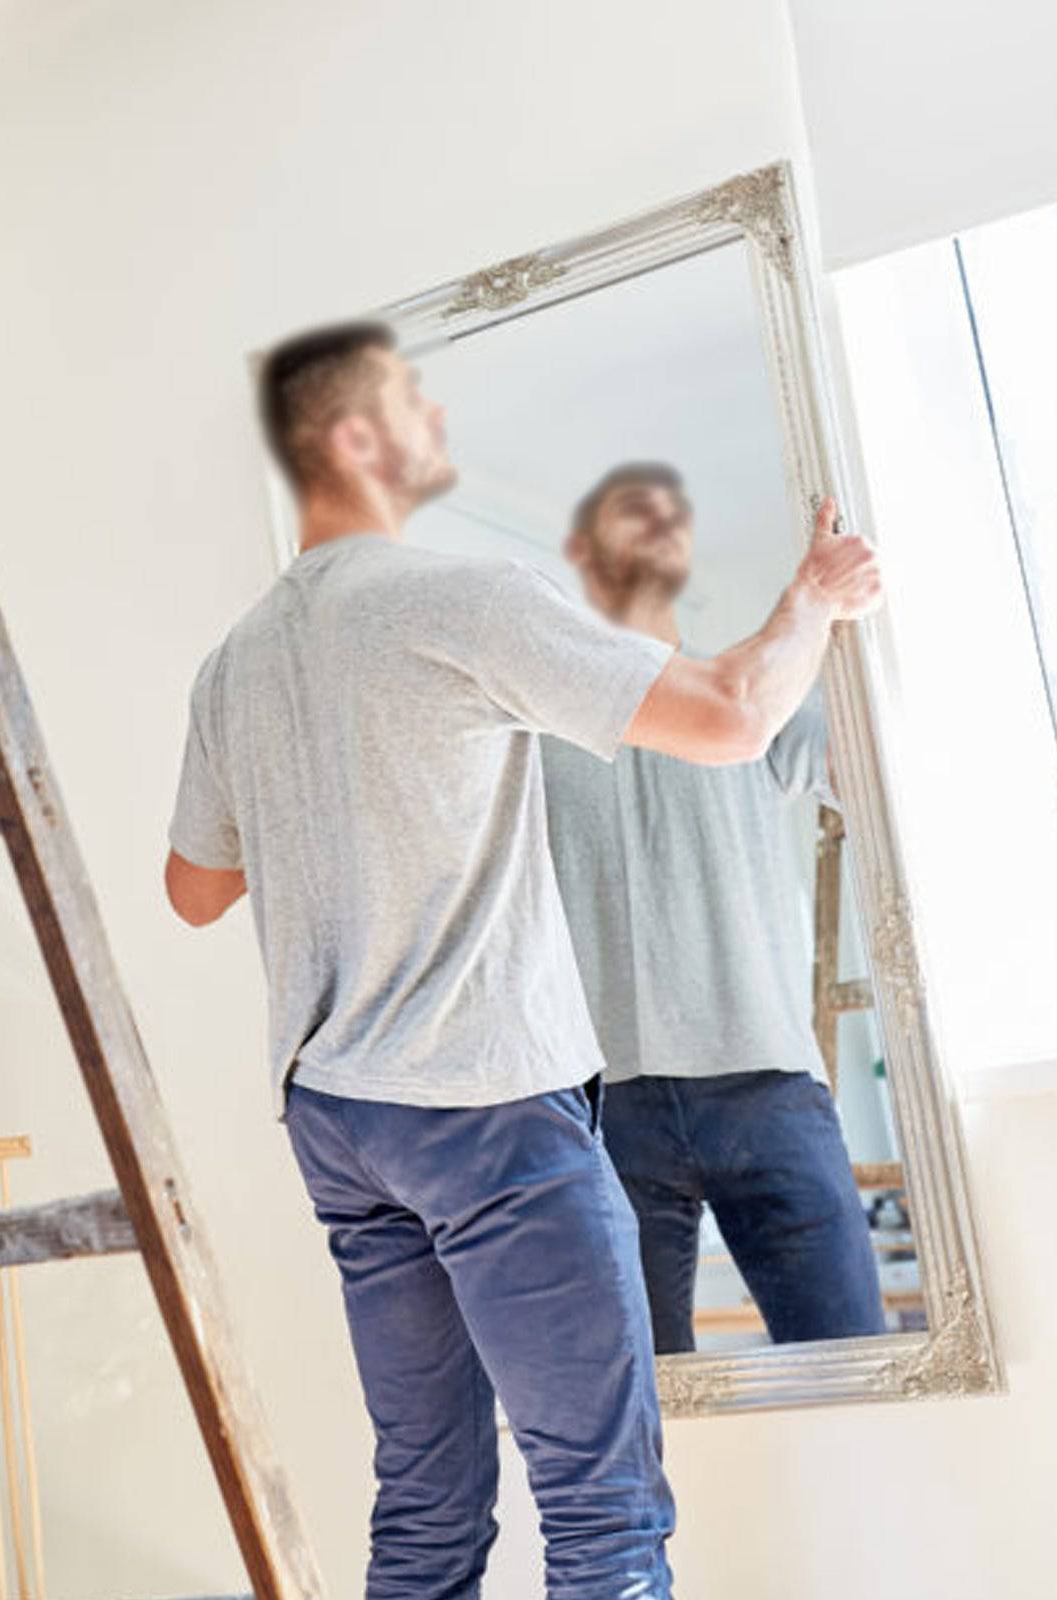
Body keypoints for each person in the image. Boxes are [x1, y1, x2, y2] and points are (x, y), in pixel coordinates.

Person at [164, 323, 880, 1600]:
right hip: (483, 1105)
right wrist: (814, 601)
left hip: (338, 1119)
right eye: (413, 401)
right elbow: (731, 715)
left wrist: (334, 812)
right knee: (604, 1515)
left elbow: (195, 890)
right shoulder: (464, 599)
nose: (437, 420)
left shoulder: (237, 662)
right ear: (354, 438)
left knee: (426, 1506)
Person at [541, 462, 888, 1355]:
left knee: (852, 1356)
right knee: (641, 1395)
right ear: (581, 551)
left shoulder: (760, 699)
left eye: (667, 518)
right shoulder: (532, 737)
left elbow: (880, 776)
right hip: (610, 1108)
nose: (651, 530)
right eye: (625, 518)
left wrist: (844, 619)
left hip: (769, 1088)